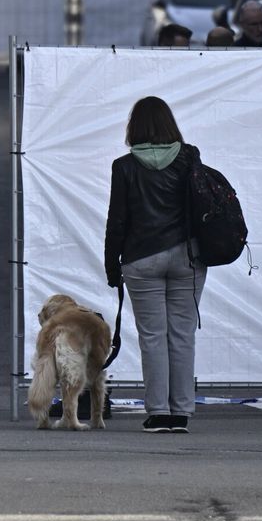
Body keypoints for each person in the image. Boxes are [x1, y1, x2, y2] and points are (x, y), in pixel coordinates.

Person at [103, 96, 203, 433]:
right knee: (182, 334)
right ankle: (181, 413)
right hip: (187, 257)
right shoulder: (189, 157)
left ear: (135, 128)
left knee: (153, 337)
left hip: (141, 258)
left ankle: (159, 412)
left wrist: (111, 265)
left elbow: (117, 221)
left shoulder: (125, 166)